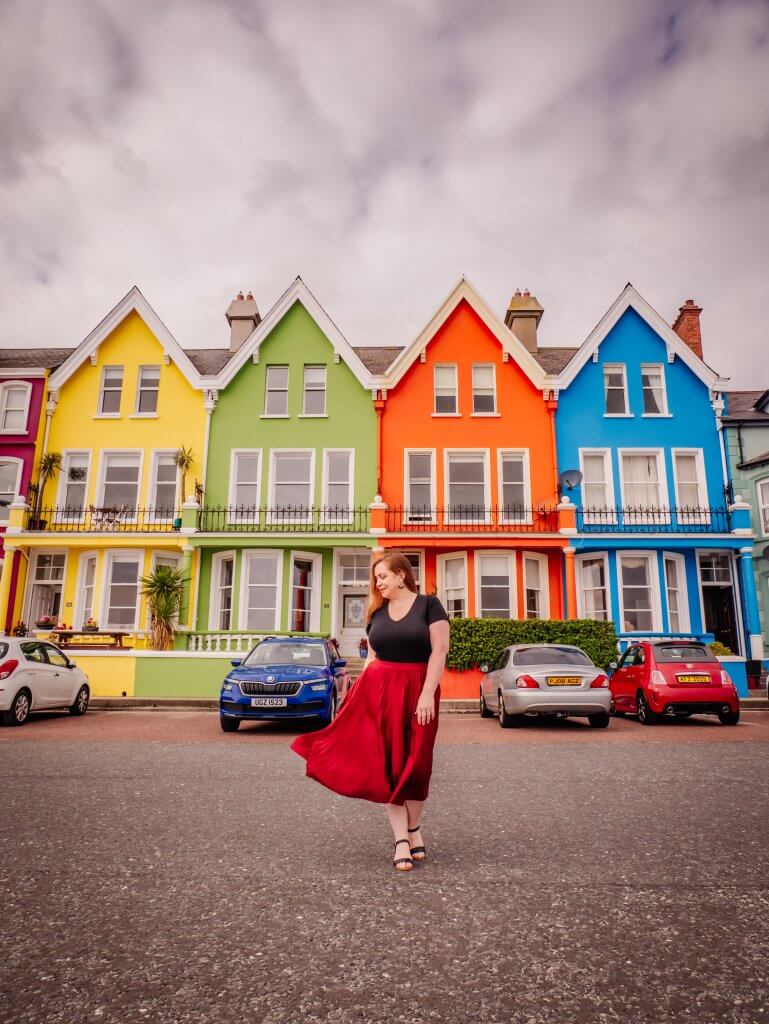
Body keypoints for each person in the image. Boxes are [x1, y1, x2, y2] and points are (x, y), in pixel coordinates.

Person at [291, 551, 450, 873]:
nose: (378, 583)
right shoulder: (376, 613)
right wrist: (357, 692)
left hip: (419, 688)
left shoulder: (429, 605)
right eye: (376, 578)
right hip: (379, 690)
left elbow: (440, 651)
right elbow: (372, 657)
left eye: (383, 576)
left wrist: (426, 695)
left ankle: (414, 826)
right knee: (388, 764)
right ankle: (401, 839)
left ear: (402, 575)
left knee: (418, 764)